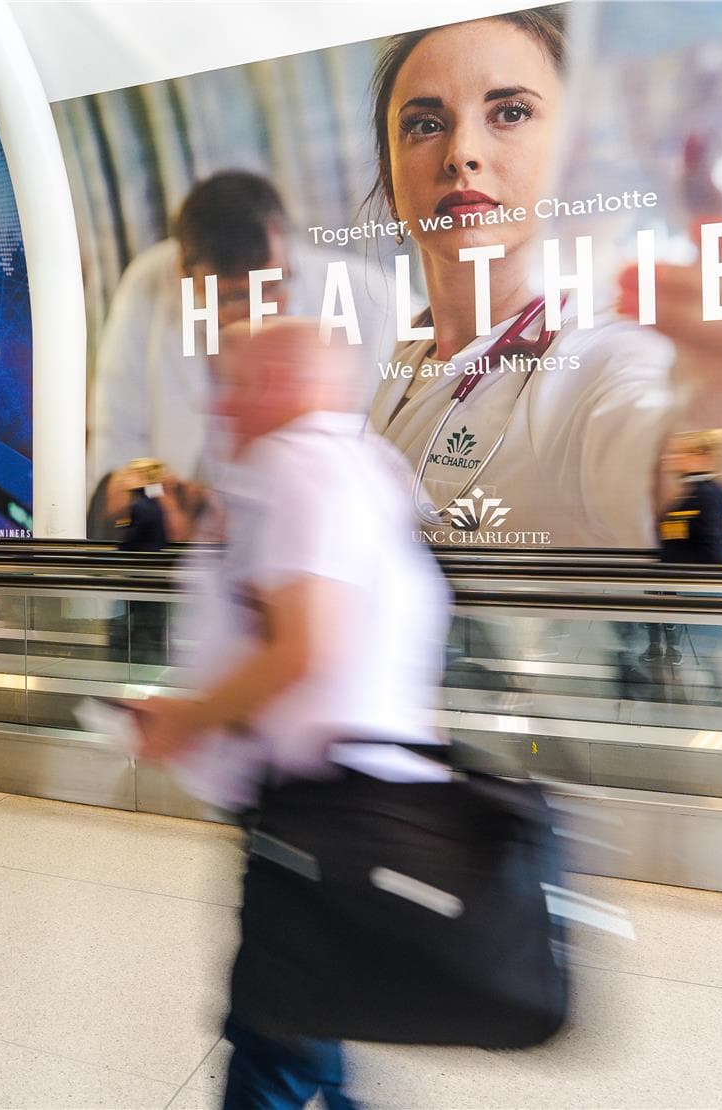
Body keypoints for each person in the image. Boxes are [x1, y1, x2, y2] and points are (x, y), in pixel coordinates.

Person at [359, 9, 722, 549]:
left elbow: (684, 493)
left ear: (576, 159)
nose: (461, 154)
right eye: (425, 124)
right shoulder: (390, 361)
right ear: (388, 179)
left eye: (511, 112)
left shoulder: (605, 354)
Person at [133, 321, 450, 1109]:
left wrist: (189, 720)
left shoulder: (297, 466)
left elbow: (306, 648)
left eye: (238, 384)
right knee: (314, 1013)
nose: (226, 405)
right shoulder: (368, 465)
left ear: (283, 382)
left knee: (273, 1034)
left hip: (313, 809)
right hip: (368, 798)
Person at [87, 172, 397, 537]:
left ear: (288, 252)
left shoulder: (377, 300)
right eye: (234, 296)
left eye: (272, 285)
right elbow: (117, 440)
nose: (259, 312)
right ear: (184, 274)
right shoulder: (148, 285)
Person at [645, 429, 722, 675]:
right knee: (710, 663)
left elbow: (714, 547)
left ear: (702, 457)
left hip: (699, 595)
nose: (672, 459)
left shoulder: (705, 497)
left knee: (710, 661)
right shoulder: (718, 494)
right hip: (697, 595)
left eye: (681, 453)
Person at [112, 458, 174, 665]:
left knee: (140, 613)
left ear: (141, 477)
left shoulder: (140, 505)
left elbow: (132, 539)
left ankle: (139, 659)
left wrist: (121, 540)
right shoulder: (155, 502)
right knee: (152, 613)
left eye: (130, 474)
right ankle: (154, 654)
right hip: (153, 568)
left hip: (140, 569)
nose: (125, 479)